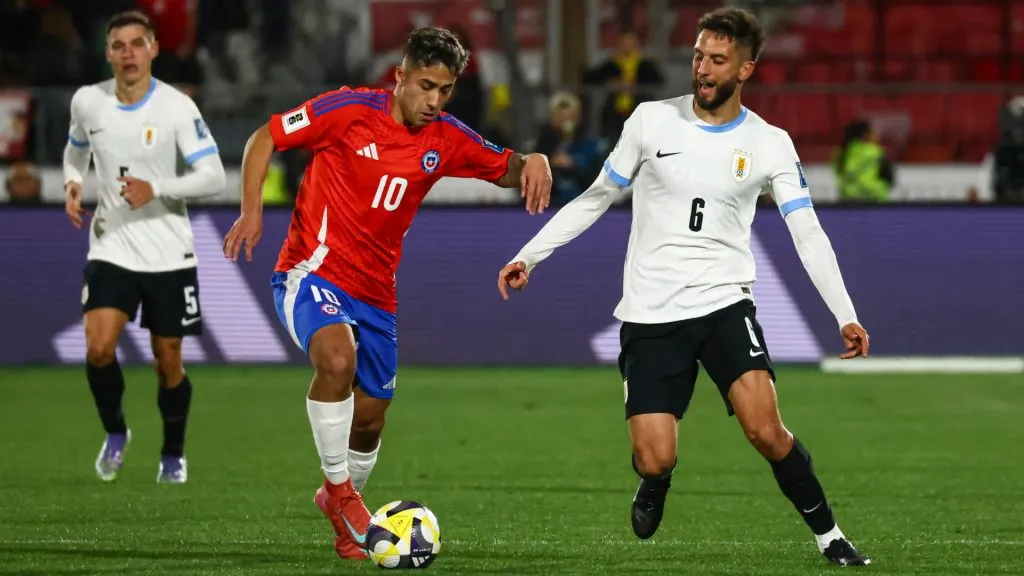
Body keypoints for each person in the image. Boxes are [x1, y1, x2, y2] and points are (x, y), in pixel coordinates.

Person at [497, 8, 871, 568]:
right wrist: (531, 255)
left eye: (717, 60)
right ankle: (655, 482)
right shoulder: (651, 121)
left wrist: (845, 313)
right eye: (698, 55)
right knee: (653, 457)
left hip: (725, 304)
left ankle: (831, 536)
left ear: (745, 69)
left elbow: (808, 234)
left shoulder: (770, 143)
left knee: (767, 431)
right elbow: (599, 196)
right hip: (650, 312)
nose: (703, 68)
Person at [222, 27, 551, 561]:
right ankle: (343, 495)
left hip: (377, 294)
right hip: (312, 272)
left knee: (371, 417)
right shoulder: (349, 110)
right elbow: (266, 136)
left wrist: (532, 160)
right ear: (399, 76)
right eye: (425, 86)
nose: (434, 101)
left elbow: (507, 166)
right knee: (336, 360)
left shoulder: (445, 137)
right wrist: (252, 209)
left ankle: (339, 504)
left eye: (445, 90)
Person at [63, 10, 226, 485]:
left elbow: (213, 175)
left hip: (168, 252)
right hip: (112, 243)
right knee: (98, 348)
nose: (128, 53)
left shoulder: (176, 108)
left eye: (137, 43)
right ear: (108, 52)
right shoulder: (87, 102)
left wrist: (157, 187)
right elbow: (77, 148)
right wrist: (75, 181)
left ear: (154, 48)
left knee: (167, 357)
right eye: (119, 45)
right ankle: (116, 432)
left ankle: (173, 452)